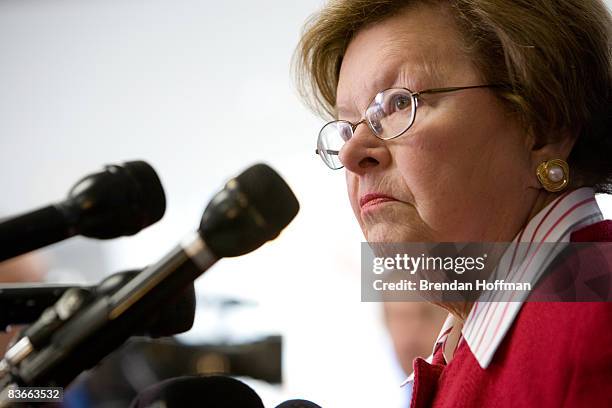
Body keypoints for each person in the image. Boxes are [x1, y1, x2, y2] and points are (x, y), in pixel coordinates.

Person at [294, 0, 612, 406]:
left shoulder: (595, 323)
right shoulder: (475, 344)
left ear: (543, 123)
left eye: (398, 103)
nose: (352, 153)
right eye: (346, 126)